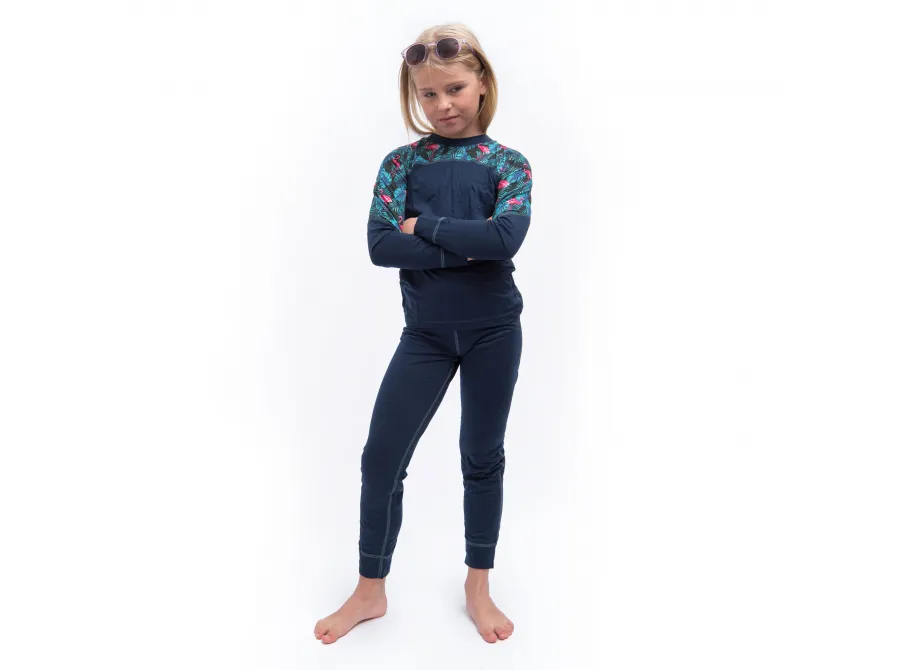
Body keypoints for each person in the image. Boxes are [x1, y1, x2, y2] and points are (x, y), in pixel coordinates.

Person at [314, 22, 533, 645]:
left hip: (494, 331)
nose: (443, 105)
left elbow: (505, 239)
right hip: (426, 336)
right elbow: (381, 246)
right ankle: (370, 589)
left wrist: (425, 227)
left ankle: (478, 586)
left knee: (481, 457)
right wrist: (468, 246)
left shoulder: (507, 164)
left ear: (482, 83)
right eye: (428, 94)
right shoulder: (402, 163)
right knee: (381, 457)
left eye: (455, 89)